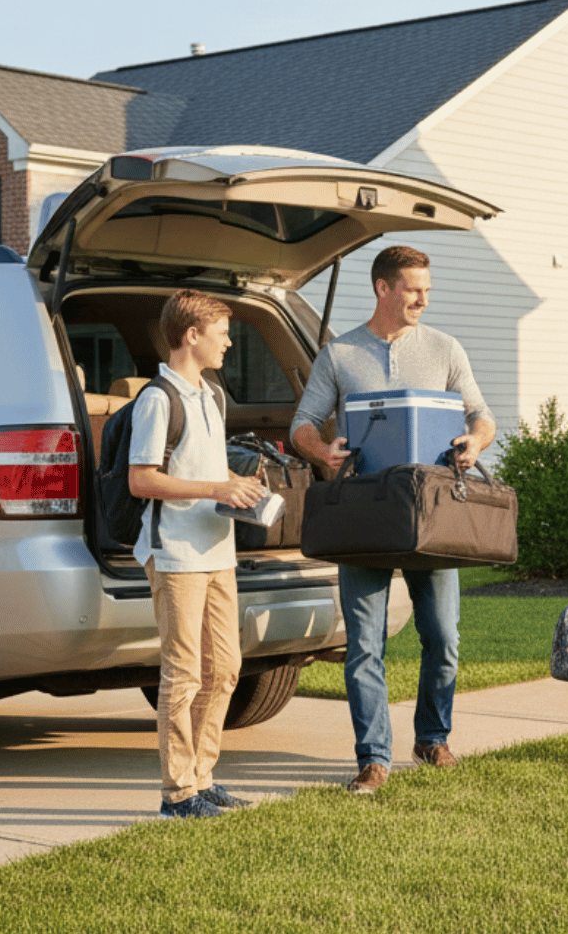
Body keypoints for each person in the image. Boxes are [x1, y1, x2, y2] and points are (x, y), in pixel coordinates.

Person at [290, 245, 497, 796]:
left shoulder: (445, 348)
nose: (423, 299)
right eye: (412, 288)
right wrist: (322, 452)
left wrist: (474, 442)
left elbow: (482, 415)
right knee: (363, 644)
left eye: (426, 288)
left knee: (445, 638)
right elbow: (302, 425)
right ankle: (373, 757)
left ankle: (431, 737)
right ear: (383, 288)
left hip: (433, 516)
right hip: (364, 514)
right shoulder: (339, 355)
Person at [129, 290, 268, 819]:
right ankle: (178, 793)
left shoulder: (211, 393)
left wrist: (238, 484)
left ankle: (203, 778)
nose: (229, 341)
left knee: (226, 669)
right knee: (183, 673)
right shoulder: (157, 399)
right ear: (192, 335)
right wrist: (215, 489)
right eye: (221, 331)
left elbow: (200, 466)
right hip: (175, 554)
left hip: (217, 550)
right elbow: (142, 480)